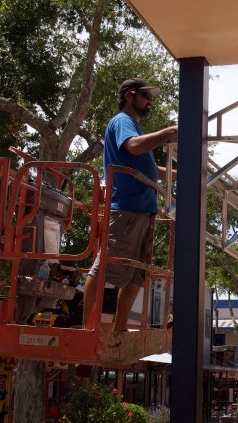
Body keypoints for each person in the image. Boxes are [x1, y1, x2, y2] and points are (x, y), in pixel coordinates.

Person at [82, 78, 177, 332]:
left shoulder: (133, 127)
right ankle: (83, 327)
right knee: (105, 266)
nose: (151, 102)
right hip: (125, 208)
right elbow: (134, 148)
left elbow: (146, 166)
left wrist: (177, 173)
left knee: (137, 274)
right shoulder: (123, 121)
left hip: (142, 211)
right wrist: (168, 133)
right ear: (130, 95)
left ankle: (119, 328)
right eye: (146, 96)